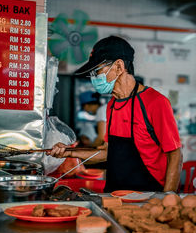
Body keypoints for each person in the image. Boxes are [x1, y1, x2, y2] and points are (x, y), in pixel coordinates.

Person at [47, 35, 183, 193]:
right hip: (115, 196)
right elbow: (107, 152)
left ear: (119, 66)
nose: (94, 77)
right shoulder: (112, 105)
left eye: (97, 70)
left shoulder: (155, 102)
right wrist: (68, 152)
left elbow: (175, 154)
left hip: (149, 195)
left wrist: (168, 197)